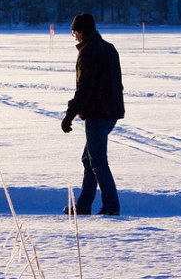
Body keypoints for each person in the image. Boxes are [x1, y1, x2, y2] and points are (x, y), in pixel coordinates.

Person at [61, 13, 125, 216]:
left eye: (74, 32)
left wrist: (69, 115)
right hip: (111, 112)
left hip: (98, 113)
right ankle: (83, 205)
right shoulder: (109, 48)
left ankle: (111, 207)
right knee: (89, 159)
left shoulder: (89, 52)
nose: (74, 36)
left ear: (81, 31)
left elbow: (85, 88)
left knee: (97, 161)